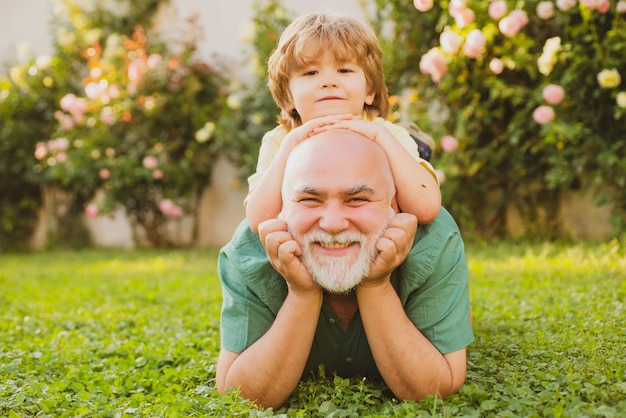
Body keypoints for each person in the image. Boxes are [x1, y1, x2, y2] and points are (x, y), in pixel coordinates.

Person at [216, 129, 474, 409]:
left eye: (357, 199)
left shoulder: (434, 240)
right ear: (281, 207)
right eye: (309, 199)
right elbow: (239, 396)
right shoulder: (248, 252)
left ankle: (413, 141)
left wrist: (376, 285)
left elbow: (435, 390)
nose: (333, 223)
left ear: (395, 205)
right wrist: (302, 294)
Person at [245, 12, 441, 234]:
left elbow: (426, 208)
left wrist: (381, 138)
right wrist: (291, 145)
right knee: (243, 244)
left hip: (373, 237)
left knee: (435, 227)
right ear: (288, 97)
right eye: (311, 72)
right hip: (313, 242)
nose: (329, 82)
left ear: (370, 91)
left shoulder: (387, 134)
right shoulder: (280, 141)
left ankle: (417, 145)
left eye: (344, 70)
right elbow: (259, 221)